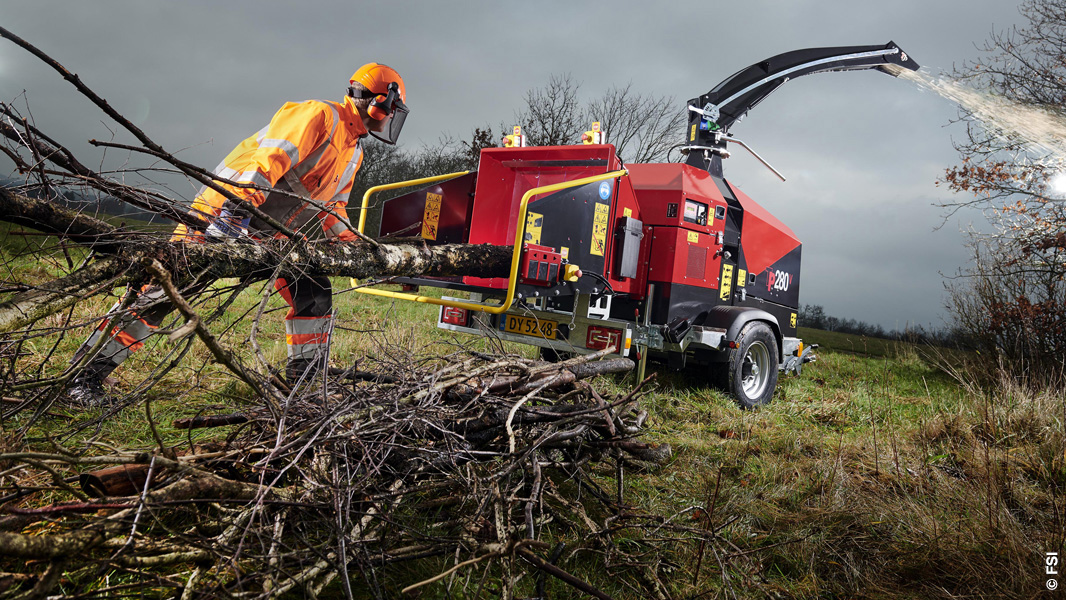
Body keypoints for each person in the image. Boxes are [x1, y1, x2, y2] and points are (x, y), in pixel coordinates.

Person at [67, 63, 408, 405]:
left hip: (269, 236)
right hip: (221, 215)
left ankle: (305, 384)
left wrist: (363, 251)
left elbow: (332, 210)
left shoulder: (354, 150)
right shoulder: (319, 116)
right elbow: (266, 163)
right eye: (393, 110)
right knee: (164, 292)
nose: (391, 119)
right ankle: (83, 377)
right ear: (380, 102)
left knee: (314, 291)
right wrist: (234, 216)